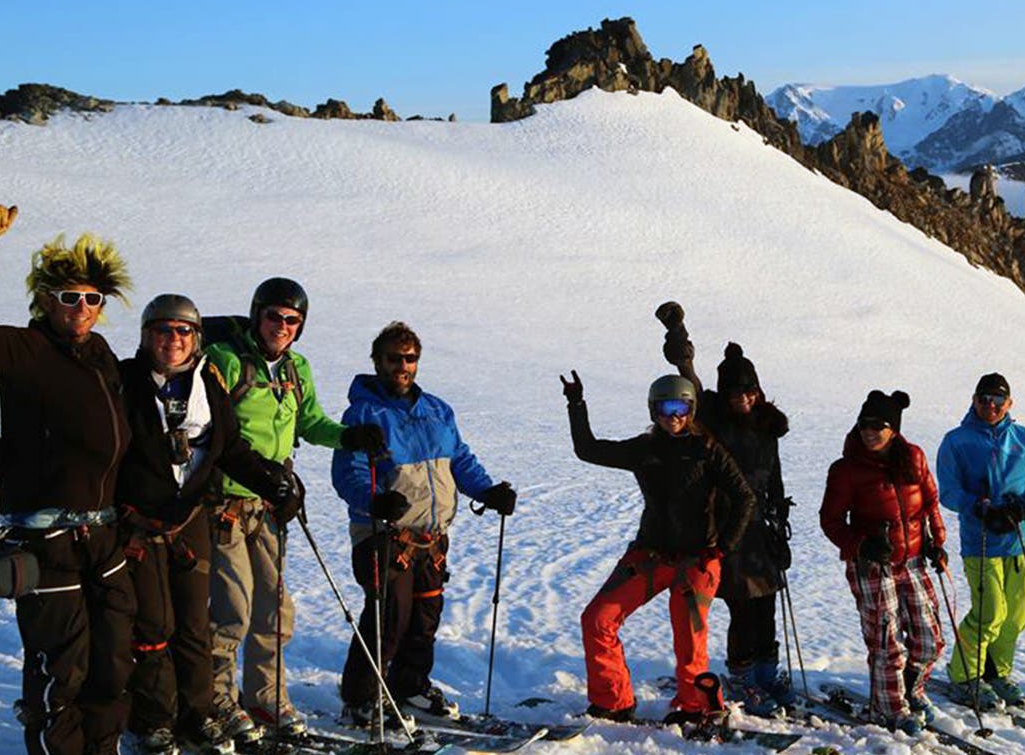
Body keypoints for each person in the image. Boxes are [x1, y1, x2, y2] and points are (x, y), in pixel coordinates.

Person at [0, 205, 136, 755]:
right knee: (64, 670)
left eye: (92, 299)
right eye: (70, 297)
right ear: (46, 300)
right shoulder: (25, 352)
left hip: (104, 539)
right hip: (47, 542)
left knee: (113, 666)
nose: (82, 308)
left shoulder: (100, 357)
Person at [116, 294, 303, 755]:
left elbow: (229, 448)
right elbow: (94, 442)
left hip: (190, 519)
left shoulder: (207, 385)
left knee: (195, 625)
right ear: (146, 336)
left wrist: (272, 483)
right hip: (139, 526)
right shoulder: (124, 382)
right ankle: (154, 720)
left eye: (183, 332)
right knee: (154, 627)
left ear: (196, 339)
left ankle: (197, 712)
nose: (172, 340)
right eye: (163, 330)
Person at [204, 278, 386, 739]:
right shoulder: (227, 361)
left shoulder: (294, 368)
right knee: (232, 609)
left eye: (292, 320)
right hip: (226, 501)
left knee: (274, 609)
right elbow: (219, 435)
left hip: (272, 504)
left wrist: (348, 436)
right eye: (274, 316)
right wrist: (263, 476)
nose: (282, 326)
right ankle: (217, 700)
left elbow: (310, 422)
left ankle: (265, 697)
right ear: (256, 314)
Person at [331, 321, 517, 724]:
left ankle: (409, 687)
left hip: (431, 538)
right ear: (377, 361)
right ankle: (360, 698)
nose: (403, 366)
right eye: (394, 359)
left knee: (425, 618)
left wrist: (487, 492)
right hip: (383, 532)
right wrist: (374, 501)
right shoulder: (363, 412)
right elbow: (348, 472)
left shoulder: (437, 409)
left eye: (410, 359)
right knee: (387, 617)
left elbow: (460, 459)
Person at [561, 369, 757, 724]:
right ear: (654, 410)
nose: (674, 416)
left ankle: (698, 708)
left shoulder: (707, 450)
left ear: (692, 409)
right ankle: (613, 701)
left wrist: (721, 548)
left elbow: (744, 497)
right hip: (649, 555)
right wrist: (576, 403)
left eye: (682, 406)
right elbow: (587, 449)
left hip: (698, 560)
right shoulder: (645, 449)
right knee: (597, 619)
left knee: (689, 638)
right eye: (666, 407)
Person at [655, 301, 794, 715]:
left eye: (748, 391)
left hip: (762, 528)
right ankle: (743, 677)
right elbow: (687, 375)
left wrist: (780, 519)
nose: (743, 399)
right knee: (741, 603)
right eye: (736, 392)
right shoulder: (711, 415)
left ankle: (768, 672)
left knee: (766, 600)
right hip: (727, 524)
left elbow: (774, 476)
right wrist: (677, 331)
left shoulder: (767, 426)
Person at [819, 390, 947, 736]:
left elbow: (930, 502)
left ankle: (911, 691)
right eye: (864, 425)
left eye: (878, 425)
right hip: (871, 564)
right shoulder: (846, 470)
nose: (869, 432)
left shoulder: (914, 457)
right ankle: (891, 709)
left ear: (894, 429)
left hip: (914, 559)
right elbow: (830, 521)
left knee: (928, 638)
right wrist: (861, 545)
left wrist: (937, 542)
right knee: (887, 640)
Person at [935, 373, 1025, 710]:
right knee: (990, 612)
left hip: (1019, 542)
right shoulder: (956, 441)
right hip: (981, 542)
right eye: (984, 399)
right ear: (974, 400)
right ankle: (964, 674)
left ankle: (996, 673)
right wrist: (976, 506)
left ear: (1009, 404)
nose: (991, 406)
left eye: (998, 400)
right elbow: (948, 491)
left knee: (1016, 616)